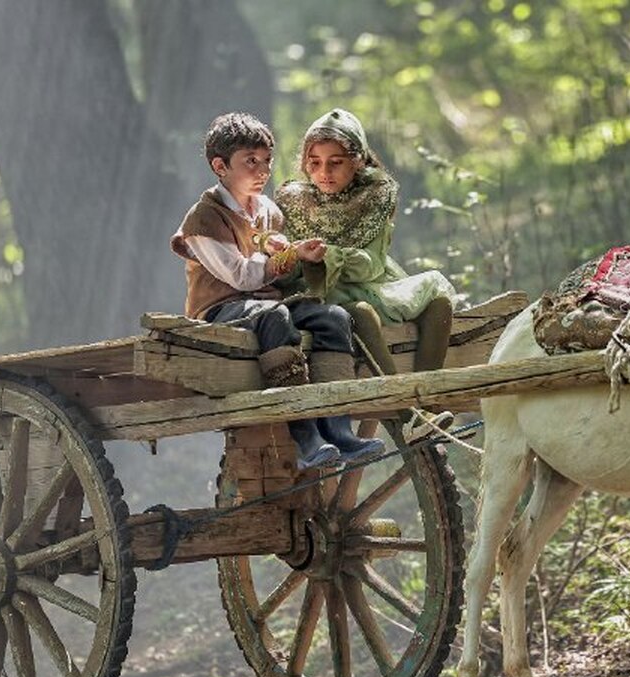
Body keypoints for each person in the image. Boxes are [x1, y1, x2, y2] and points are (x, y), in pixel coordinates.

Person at [170, 111, 383, 469]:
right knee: (276, 315)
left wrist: (301, 255)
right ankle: (304, 436)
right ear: (220, 166)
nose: (263, 170)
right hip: (222, 309)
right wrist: (287, 256)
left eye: (267, 160)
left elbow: (276, 264)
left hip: (264, 303)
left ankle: (338, 428)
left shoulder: (267, 209)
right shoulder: (203, 219)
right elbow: (241, 276)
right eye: (250, 161)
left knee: (332, 317)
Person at [274, 108, 457, 434]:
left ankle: (427, 402)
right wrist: (302, 257)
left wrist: (334, 255)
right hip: (319, 292)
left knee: (439, 299)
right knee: (360, 312)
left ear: (357, 160)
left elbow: (372, 264)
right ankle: (407, 415)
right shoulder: (293, 200)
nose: (324, 172)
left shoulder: (376, 193)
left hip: (369, 280)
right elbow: (283, 267)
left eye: (335, 162)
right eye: (314, 163)